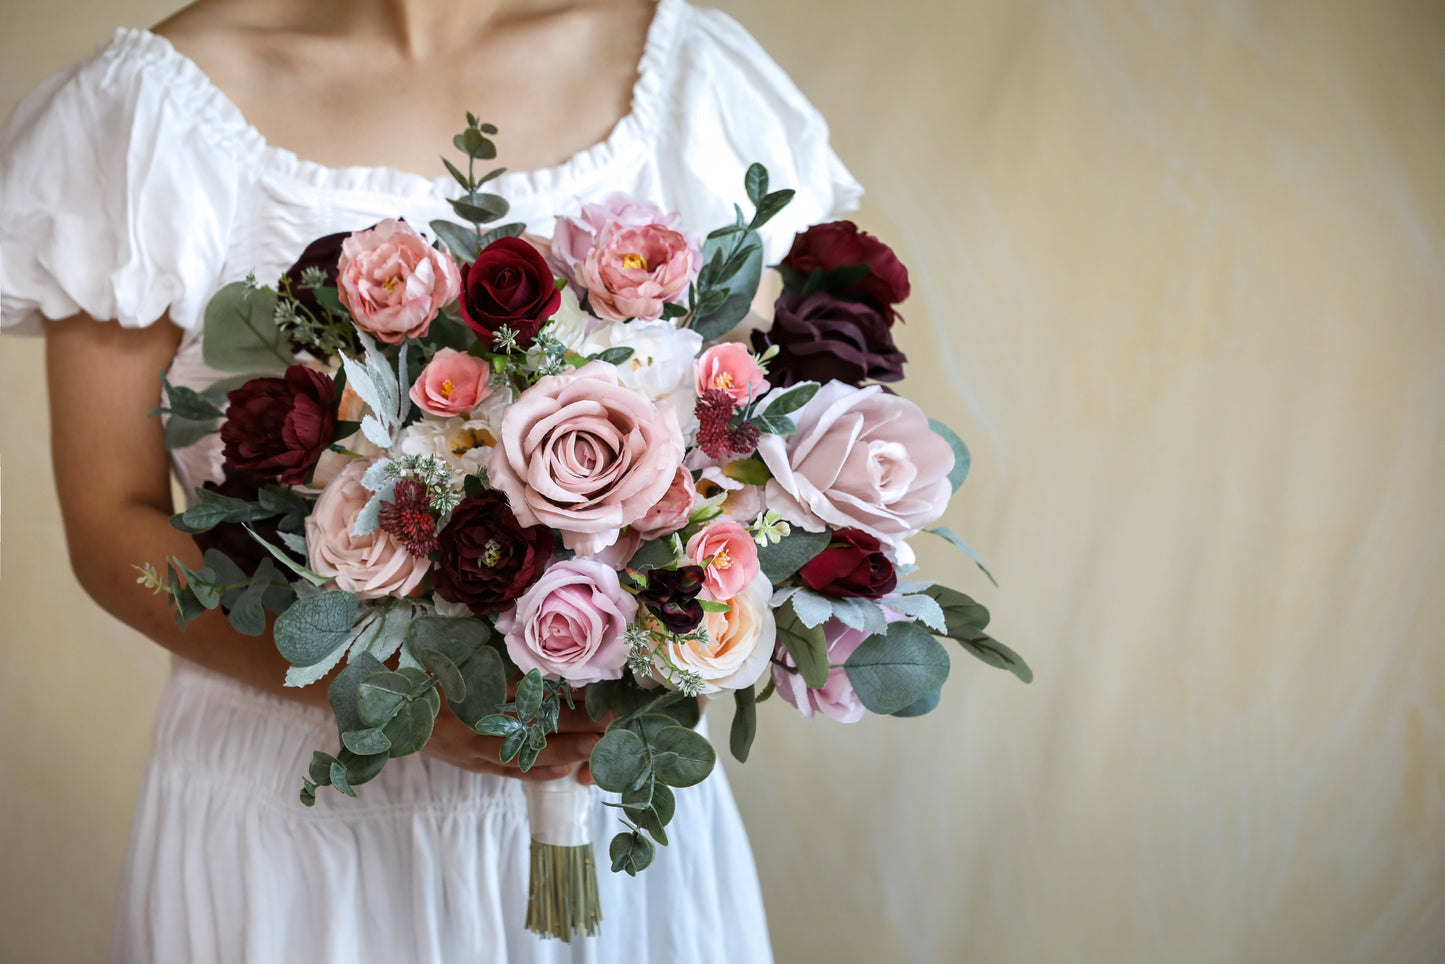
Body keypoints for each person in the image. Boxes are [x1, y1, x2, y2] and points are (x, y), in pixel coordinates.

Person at [0, 0, 861, 959]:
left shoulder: (688, 75)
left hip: (611, 814)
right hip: (294, 836)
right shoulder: (146, 116)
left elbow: (751, 442)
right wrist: (382, 690)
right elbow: (109, 526)